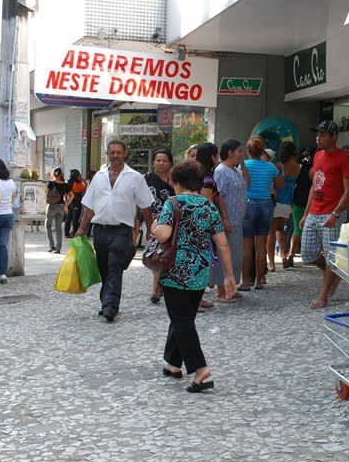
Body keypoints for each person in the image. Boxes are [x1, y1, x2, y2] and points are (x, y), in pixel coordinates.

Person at [150, 161, 237, 392]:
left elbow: (164, 233)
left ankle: (200, 369)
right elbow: (223, 244)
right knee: (183, 317)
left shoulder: (173, 203)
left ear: (178, 182)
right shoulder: (209, 207)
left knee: (181, 319)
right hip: (200, 271)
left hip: (175, 272)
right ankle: (173, 364)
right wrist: (229, 275)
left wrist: (154, 226)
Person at [74, 139, 154, 322]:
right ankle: (106, 302)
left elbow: (146, 206)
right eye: (112, 152)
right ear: (107, 154)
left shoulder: (135, 177)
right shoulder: (99, 177)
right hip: (100, 231)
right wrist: (82, 228)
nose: (116, 155)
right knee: (104, 267)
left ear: (125, 153)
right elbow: (89, 206)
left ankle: (110, 306)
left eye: (119, 152)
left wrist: (150, 229)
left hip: (122, 230)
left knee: (114, 266)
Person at [299, 121, 349, 309]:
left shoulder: (343, 158)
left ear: (334, 137)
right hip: (314, 210)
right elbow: (315, 186)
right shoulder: (318, 156)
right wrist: (306, 214)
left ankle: (324, 293)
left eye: (323, 135)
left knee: (331, 254)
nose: (318, 138)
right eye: (318, 134)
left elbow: (348, 190)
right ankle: (334, 274)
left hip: (332, 211)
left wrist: (336, 214)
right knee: (308, 252)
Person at [240, 137, 283, 291]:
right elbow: (281, 184)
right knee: (261, 245)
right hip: (266, 204)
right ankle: (259, 280)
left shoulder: (244, 166)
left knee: (247, 246)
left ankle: (245, 281)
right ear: (262, 151)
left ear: (248, 151)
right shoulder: (270, 167)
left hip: (248, 203)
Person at [213, 139, 249, 303]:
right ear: (230, 152)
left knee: (235, 255)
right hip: (228, 219)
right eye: (239, 151)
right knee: (225, 255)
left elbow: (246, 184)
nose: (242, 154)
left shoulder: (235, 169)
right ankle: (221, 291)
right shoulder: (221, 171)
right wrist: (225, 218)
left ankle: (231, 288)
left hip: (238, 218)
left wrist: (243, 164)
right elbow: (219, 195)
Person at [196, 142, 227, 310]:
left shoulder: (198, 173)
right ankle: (195, 300)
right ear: (212, 157)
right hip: (203, 227)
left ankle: (198, 298)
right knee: (203, 262)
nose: (218, 160)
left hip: (196, 225)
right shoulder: (207, 179)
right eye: (217, 156)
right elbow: (206, 205)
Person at [145, 148, 175, 304]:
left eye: (164, 161)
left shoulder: (176, 180)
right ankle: (155, 289)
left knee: (170, 253)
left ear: (170, 163)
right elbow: (141, 201)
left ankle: (164, 285)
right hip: (154, 222)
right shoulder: (147, 179)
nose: (161, 163)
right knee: (158, 253)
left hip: (174, 220)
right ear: (153, 162)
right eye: (158, 160)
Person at [268, 141, 299, 271]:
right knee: (281, 229)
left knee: (271, 232)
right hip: (288, 202)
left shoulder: (279, 166)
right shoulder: (298, 167)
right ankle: (284, 255)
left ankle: (272, 263)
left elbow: (271, 180)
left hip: (277, 200)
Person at [288, 146, 316, 267]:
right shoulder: (314, 170)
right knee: (311, 228)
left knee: (296, 229)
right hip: (310, 201)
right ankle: (312, 255)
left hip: (297, 199)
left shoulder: (298, 167)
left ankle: (291, 253)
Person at [46, 167, 70, 254]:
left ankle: (51, 245)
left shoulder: (51, 183)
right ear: (61, 174)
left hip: (51, 206)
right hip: (61, 206)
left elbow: (46, 193)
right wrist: (66, 205)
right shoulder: (65, 184)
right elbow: (72, 195)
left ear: (53, 174)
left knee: (48, 225)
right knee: (58, 228)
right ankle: (58, 248)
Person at [64, 169, 86, 238]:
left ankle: (66, 233)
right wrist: (82, 180)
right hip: (76, 202)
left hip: (69, 202)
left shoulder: (68, 182)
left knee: (68, 218)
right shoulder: (76, 184)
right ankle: (74, 232)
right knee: (75, 218)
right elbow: (84, 188)